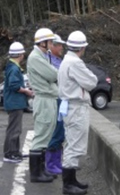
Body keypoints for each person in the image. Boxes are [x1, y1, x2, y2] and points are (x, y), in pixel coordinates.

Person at [58, 31, 98, 195]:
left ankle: (72, 181)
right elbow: (92, 82)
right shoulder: (75, 63)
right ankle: (68, 185)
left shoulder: (66, 61)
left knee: (71, 143)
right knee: (74, 145)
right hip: (76, 107)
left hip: (70, 106)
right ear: (82, 47)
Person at [27, 28, 58, 183]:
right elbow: (53, 75)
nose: (51, 45)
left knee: (46, 136)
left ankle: (42, 170)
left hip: (48, 100)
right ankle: (36, 173)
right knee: (41, 136)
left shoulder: (42, 56)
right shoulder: (35, 58)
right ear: (43, 42)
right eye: (50, 42)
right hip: (44, 100)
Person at [3, 41, 33, 163]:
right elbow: (14, 85)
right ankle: (10, 154)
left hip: (14, 102)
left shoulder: (12, 67)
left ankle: (15, 152)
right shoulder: (14, 69)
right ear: (20, 55)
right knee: (14, 129)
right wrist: (27, 91)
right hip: (15, 103)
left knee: (15, 128)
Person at [45, 34, 66, 175]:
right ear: (51, 45)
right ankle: (50, 163)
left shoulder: (59, 60)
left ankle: (57, 161)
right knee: (56, 130)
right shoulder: (48, 61)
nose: (61, 48)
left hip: (62, 98)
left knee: (61, 131)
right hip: (54, 99)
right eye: (58, 45)